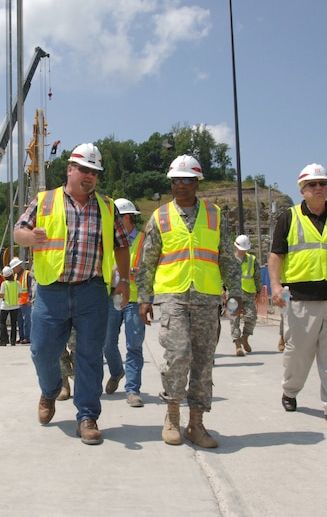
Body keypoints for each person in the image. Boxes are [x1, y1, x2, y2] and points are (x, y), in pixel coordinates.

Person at [14, 142, 131, 446]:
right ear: (70, 169)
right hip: (52, 290)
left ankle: (87, 416)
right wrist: (31, 237)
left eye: (94, 172)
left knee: (89, 356)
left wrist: (124, 281)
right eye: (84, 169)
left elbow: (121, 245)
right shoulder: (45, 201)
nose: (89, 176)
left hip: (93, 291)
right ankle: (50, 391)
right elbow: (19, 232)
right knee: (42, 351)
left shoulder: (107, 206)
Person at [137, 154, 242, 448]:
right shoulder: (159, 217)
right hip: (173, 297)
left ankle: (196, 423)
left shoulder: (215, 215)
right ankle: (172, 416)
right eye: (176, 180)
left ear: (197, 183)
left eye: (187, 180)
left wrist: (236, 292)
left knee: (203, 362)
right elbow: (147, 262)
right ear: (171, 183)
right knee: (178, 353)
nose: (181, 185)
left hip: (207, 298)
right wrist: (144, 298)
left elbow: (227, 258)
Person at [268, 163, 327, 428]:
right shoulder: (288, 217)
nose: (319, 188)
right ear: (302, 190)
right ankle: (290, 390)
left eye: (323, 183)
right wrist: (275, 287)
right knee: (298, 353)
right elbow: (276, 255)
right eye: (313, 184)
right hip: (300, 298)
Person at [103, 198, 147, 408]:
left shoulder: (143, 241)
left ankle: (132, 389)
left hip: (135, 299)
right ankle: (116, 372)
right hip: (112, 297)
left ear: (126, 218)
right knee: (106, 343)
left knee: (134, 345)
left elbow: (151, 270)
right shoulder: (108, 240)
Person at [230, 234, 262, 357]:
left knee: (251, 317)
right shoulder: (231, 259)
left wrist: (259, 291)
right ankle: (238, 345)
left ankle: (245, 337)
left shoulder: (252, 260)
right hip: (233, 292)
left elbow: (257, 276)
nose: (244, 251)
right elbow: (223, 274)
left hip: (248, 292)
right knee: (234, 319)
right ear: (236, 247)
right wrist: (222, 289)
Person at [10, 257, 32, 344]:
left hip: (25, 301)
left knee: (27, 320)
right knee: (19, 321)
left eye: (14, 268)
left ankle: (27, 337)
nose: (13, 270)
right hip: (18, 302)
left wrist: (29, 298)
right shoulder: (15, 276)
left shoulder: (27, 274)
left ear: (18, 266)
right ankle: (22, 337)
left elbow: (31, 287)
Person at [0, 266, 20, 346]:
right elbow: (19, 294)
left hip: (5, 305)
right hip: (15, 306)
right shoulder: (17, 283)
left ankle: (4, 341)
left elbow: (1, 295)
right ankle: (13, 341)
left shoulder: (4, 284)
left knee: (2, 322)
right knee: (13, 324)